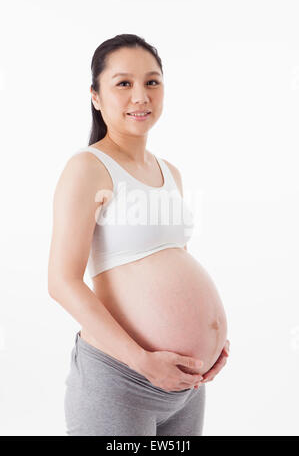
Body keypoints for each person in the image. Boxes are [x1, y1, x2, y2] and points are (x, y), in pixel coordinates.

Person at [48, 33, 230, 436]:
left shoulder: (170, 173)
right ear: (95, 96)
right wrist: (141, 360)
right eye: (123, 83)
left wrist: (213, 343)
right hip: (119, 380)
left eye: (152, 81)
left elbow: (172, 266)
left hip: (185, 386)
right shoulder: (87, 167)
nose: (140, 96)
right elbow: (61, 283)